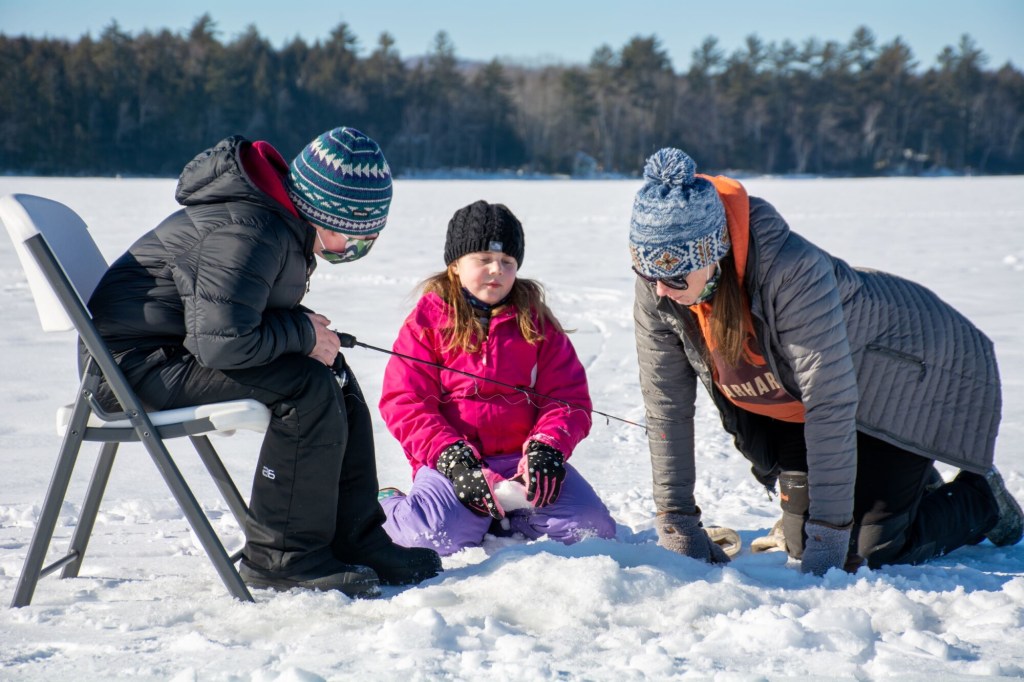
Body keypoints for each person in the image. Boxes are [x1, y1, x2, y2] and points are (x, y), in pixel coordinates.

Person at [629, 147, 1024, 575]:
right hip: (802, 403)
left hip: (908, 373)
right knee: (800, 539)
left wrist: (831, 540)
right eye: (647, 274)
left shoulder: (793, 274)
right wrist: (677, 522)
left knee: (868, 551)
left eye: (673, 276)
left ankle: (980, 499)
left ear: (713, 256)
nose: (660, 290)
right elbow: (665, 404)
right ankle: (905, 484)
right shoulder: (662, 286)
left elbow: (829, 403)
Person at [85, 127, 442, 596]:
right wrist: (299, 334)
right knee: (306, 389)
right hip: (130, 369)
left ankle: (354, 537)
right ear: (325, 214)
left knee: (331, 372)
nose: (361, 245)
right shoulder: (247, 230)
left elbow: (225, 317)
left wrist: (305, 332)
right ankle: (282, 557)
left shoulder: (274, 223)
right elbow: (221, 342)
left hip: (170, 350)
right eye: (357, 233)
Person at [377, 200, 617, 555]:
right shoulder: (425, 323)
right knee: (431, 538)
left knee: (591, 531)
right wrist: (452, 458)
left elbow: (568, 399)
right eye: (483, 259)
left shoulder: (537, 322)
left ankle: (513, 514)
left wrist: (547, 448)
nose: (496, 270)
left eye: (507, 262)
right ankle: (389, 505)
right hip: (455, 465)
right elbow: (405, 403)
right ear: (455, 265)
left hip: (522, 465)